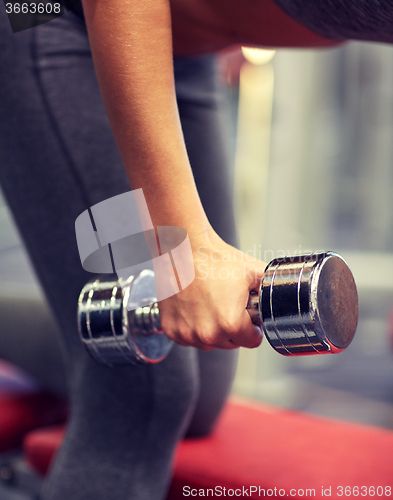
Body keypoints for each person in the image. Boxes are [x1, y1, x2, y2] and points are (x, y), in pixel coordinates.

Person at [0, 0, 392, 498]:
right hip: (57, 16)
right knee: (142, 388)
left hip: (182, 54)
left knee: (198, 388)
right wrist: (187, 252)